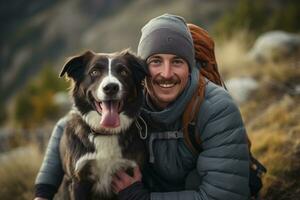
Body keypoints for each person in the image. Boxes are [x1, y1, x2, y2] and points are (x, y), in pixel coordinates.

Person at [34, 14, 250, 200]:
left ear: (190, 66)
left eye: (177, 61)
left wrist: (141, 197)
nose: (166, 73)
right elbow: (67, 126)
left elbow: (225, 195)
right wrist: (43, 191)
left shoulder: (216, 109)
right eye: (156, 61)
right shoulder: (133, 97)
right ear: (143, 72)